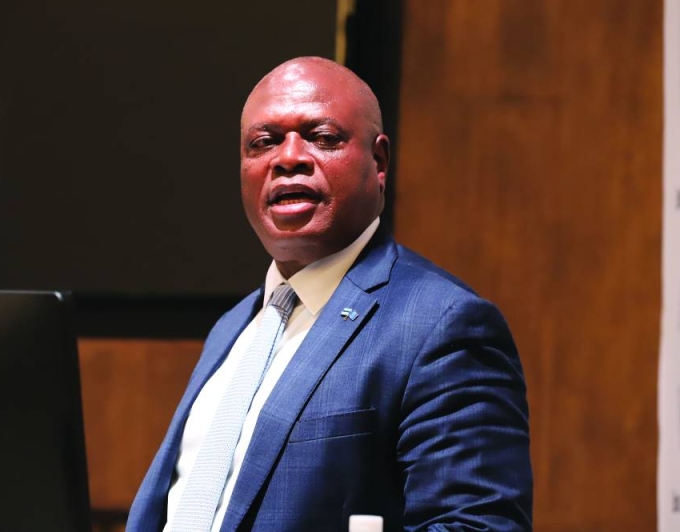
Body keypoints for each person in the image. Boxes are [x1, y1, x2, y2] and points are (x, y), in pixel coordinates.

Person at [126, 56, 532, 532]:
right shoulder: (233, 328)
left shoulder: (442, 325)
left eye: (321, 138)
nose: (288, 158)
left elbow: (475, 526)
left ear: (379, 162)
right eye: (263, 142)